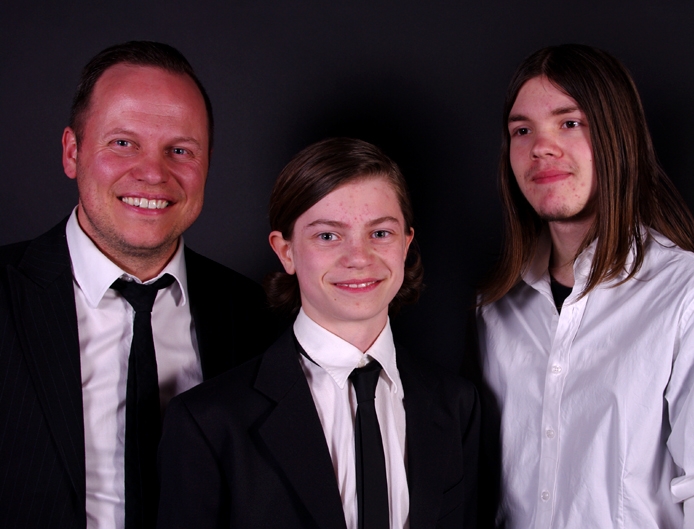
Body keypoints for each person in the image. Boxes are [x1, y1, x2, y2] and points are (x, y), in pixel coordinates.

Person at [473, 44, 694, 528]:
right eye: (522, 130)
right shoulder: (496, 308)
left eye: (570, 123)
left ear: (618, 136)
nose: (541, 147)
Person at [0, 41, 282, 529]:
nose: (153, 173)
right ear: (72, 152)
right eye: (122, 143)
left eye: (180, 150)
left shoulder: (256, 316)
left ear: (207, 164)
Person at [157, 137, 480, 529]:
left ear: (406, 244)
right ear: (286, 251)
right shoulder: (209, 421)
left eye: (380, 233)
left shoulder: (455, 404)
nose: (359, 258)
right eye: (328, 235)